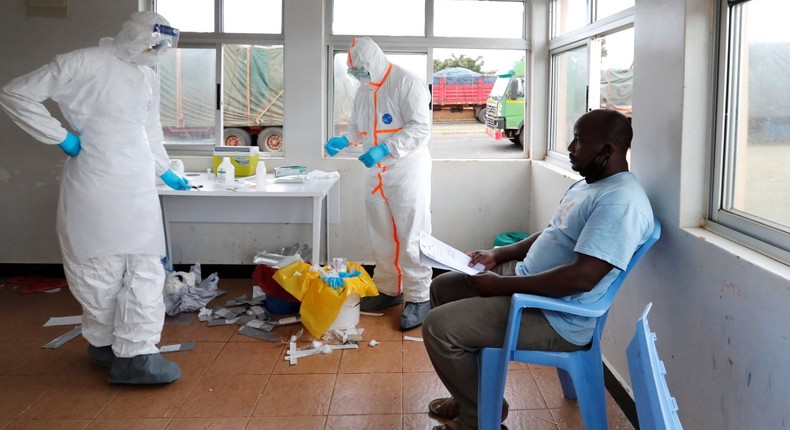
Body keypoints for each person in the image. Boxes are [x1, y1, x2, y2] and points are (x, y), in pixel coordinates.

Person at [422, 109, 655, 430]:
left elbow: (583, 278)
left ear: (606, 151)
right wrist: (498, 253)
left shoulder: (621, 203)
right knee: (443, 287)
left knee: (438, 327)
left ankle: (477, 419)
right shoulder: (590, 186)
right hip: (525, 285)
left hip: (556, 315)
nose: (571, 148)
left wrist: (501, 287)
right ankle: (473, 395)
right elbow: (552, 232)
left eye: (579, 141)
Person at [0, 11, 190, 385]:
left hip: (137, 184)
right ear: (133, 35)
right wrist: (62, 137)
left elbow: (148, 132)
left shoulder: (147, 76)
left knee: (145, 268)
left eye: (164, 47)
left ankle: (126, 349)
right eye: (153, 43)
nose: (158, 51)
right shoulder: (83, 61)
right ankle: (119, 352)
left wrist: (164, 170)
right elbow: (15, 93)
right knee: (98, 268)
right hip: (96, 179)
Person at [324, 37, 433, 330]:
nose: (356, 75)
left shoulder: (406, 83)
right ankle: (388, 289)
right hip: (376, 174)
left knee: (412, 234)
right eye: (353, 71)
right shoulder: (364, 91)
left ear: (371, 62)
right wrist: (344, 140)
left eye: (359, 69)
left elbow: (421, 128)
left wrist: (386, 149)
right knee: (382, 234)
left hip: (406, 170)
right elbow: (358, 129)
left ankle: (420, 297)